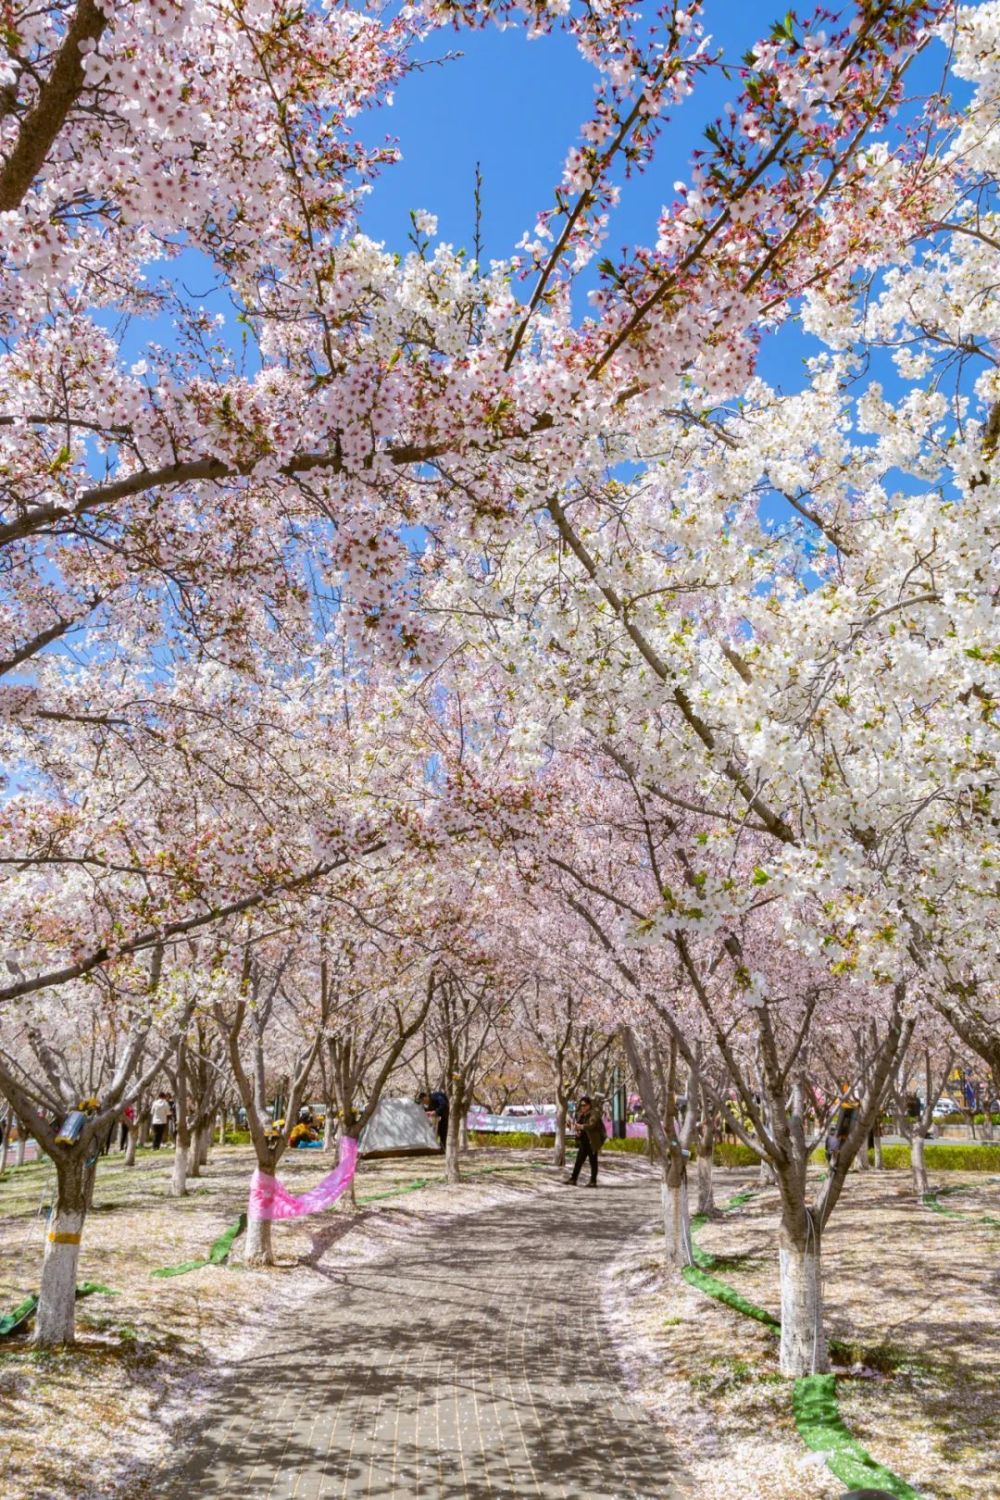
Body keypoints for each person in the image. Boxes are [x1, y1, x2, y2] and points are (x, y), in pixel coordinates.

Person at [564, 1096, 606, 1187]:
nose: (582, 1107)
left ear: (589, 1105)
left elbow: (592, 1125)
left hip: (592, 1142)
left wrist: (581, 1127)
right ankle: (573, 1179)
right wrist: (573, 1128)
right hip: (584, 1142)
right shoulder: (581, 1115)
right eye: (581, 1105)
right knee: (578, 1161)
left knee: (593, 1161)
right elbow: (579, 1127)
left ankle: (593, 1181)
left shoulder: (594, 1113)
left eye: (584, 1105)